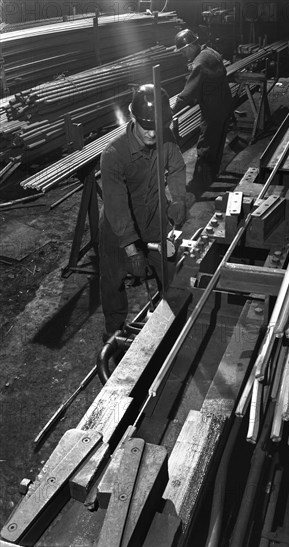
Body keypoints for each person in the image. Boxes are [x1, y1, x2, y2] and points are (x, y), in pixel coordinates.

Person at [99, 84, 187, 340]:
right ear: (133, 118)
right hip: (119, 229)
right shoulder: (114, 154)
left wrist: (179, 198)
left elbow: (177, 167)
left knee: (170, 272)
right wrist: (130, 248)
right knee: (113, 282)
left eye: (157, 127)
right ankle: (113, 334)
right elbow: (116, 205)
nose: (152, 134)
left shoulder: (166, 138)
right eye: (146, 126)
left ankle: (171, 320)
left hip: (153, 219)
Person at [172, 29, 233, 190]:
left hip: (213, 110)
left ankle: (199, 185)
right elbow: (207, 81)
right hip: (225, 104)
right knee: (218, 143)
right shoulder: (210, 52)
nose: (183, 55)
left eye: (183, 51)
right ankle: (211, 176)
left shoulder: (199, 63)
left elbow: (187, 94)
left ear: (190, 47)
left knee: (205, 145)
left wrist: (170, 111)